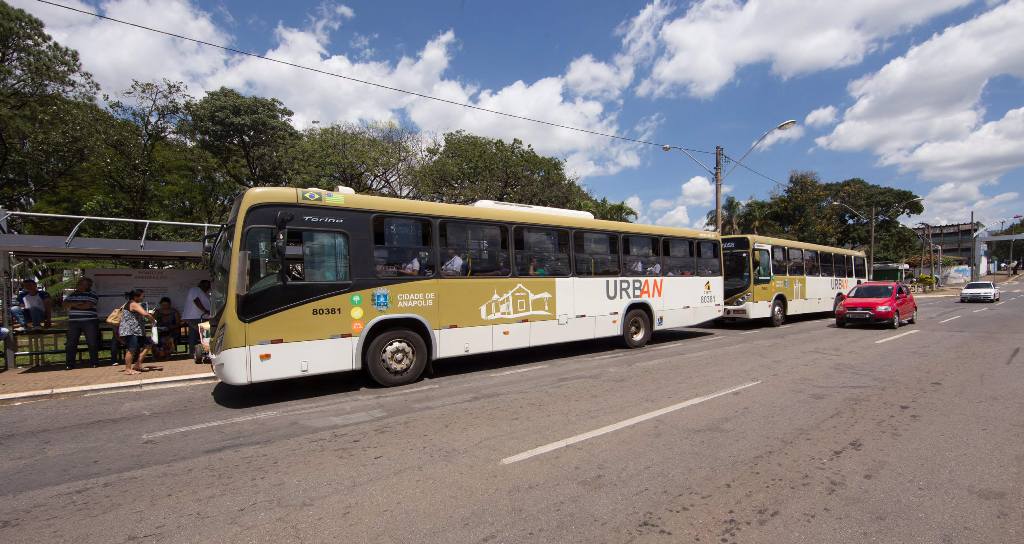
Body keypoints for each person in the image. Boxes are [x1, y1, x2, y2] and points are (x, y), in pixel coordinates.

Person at [63, 277, 101, 369]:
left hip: (89, 321)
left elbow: (87, 306)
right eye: (79, 284)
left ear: (88, 286)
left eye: (82, 284)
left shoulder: (92, 294)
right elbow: (64, 304)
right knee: (71, 343)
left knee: (92, 342)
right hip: (73, 322)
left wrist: (73, 304)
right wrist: (78, 303)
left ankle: (94, 362)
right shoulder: (72, 295)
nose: (79, 285)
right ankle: (69, 364)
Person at [118, 289, 156, 374]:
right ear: (136, 297)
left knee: (148, 344)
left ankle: (138, 365)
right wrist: (153, 320)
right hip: (130, 330)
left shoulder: (134, 303)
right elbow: (145, 314)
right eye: (143, 296)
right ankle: (128, 369)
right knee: (132, 349)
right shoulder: (133, 304)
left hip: (137, 330)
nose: (143, 298)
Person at [182, 279, 211, 358]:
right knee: (196, 335)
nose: (207, 287)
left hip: (202, 317)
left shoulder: (205, 294)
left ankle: (203, 351)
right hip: (194, 317)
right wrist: (205, 310)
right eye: (205, 285)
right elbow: (196, 300)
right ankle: (194, 353)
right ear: (200, 285)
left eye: (208, 286)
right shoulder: (195, 289)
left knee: (204, 335)